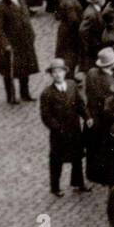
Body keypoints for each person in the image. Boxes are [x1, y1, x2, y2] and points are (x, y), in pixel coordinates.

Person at [39, 57, 88, 196]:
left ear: (65, 72)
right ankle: (55, 187)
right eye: (54, 72)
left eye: (60, 71)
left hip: (74, 130)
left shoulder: (72, 85)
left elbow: (80, 104)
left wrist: (87, 117)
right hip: (59, 134)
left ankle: (79, 183)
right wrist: (57, 128)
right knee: (57, 160)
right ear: (51, 74)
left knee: (77, 158)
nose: (57, 74)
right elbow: (46, 116)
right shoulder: (47, 94)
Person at [0, 0, 38, 104]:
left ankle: (25, 94)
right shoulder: (0, 8)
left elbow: (27, 20)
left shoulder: (22, 1)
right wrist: (5, 44)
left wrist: (32, 35)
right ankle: (11, 96)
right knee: (9, 71)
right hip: (11, 45)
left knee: (25, 69)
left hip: (25, 42)